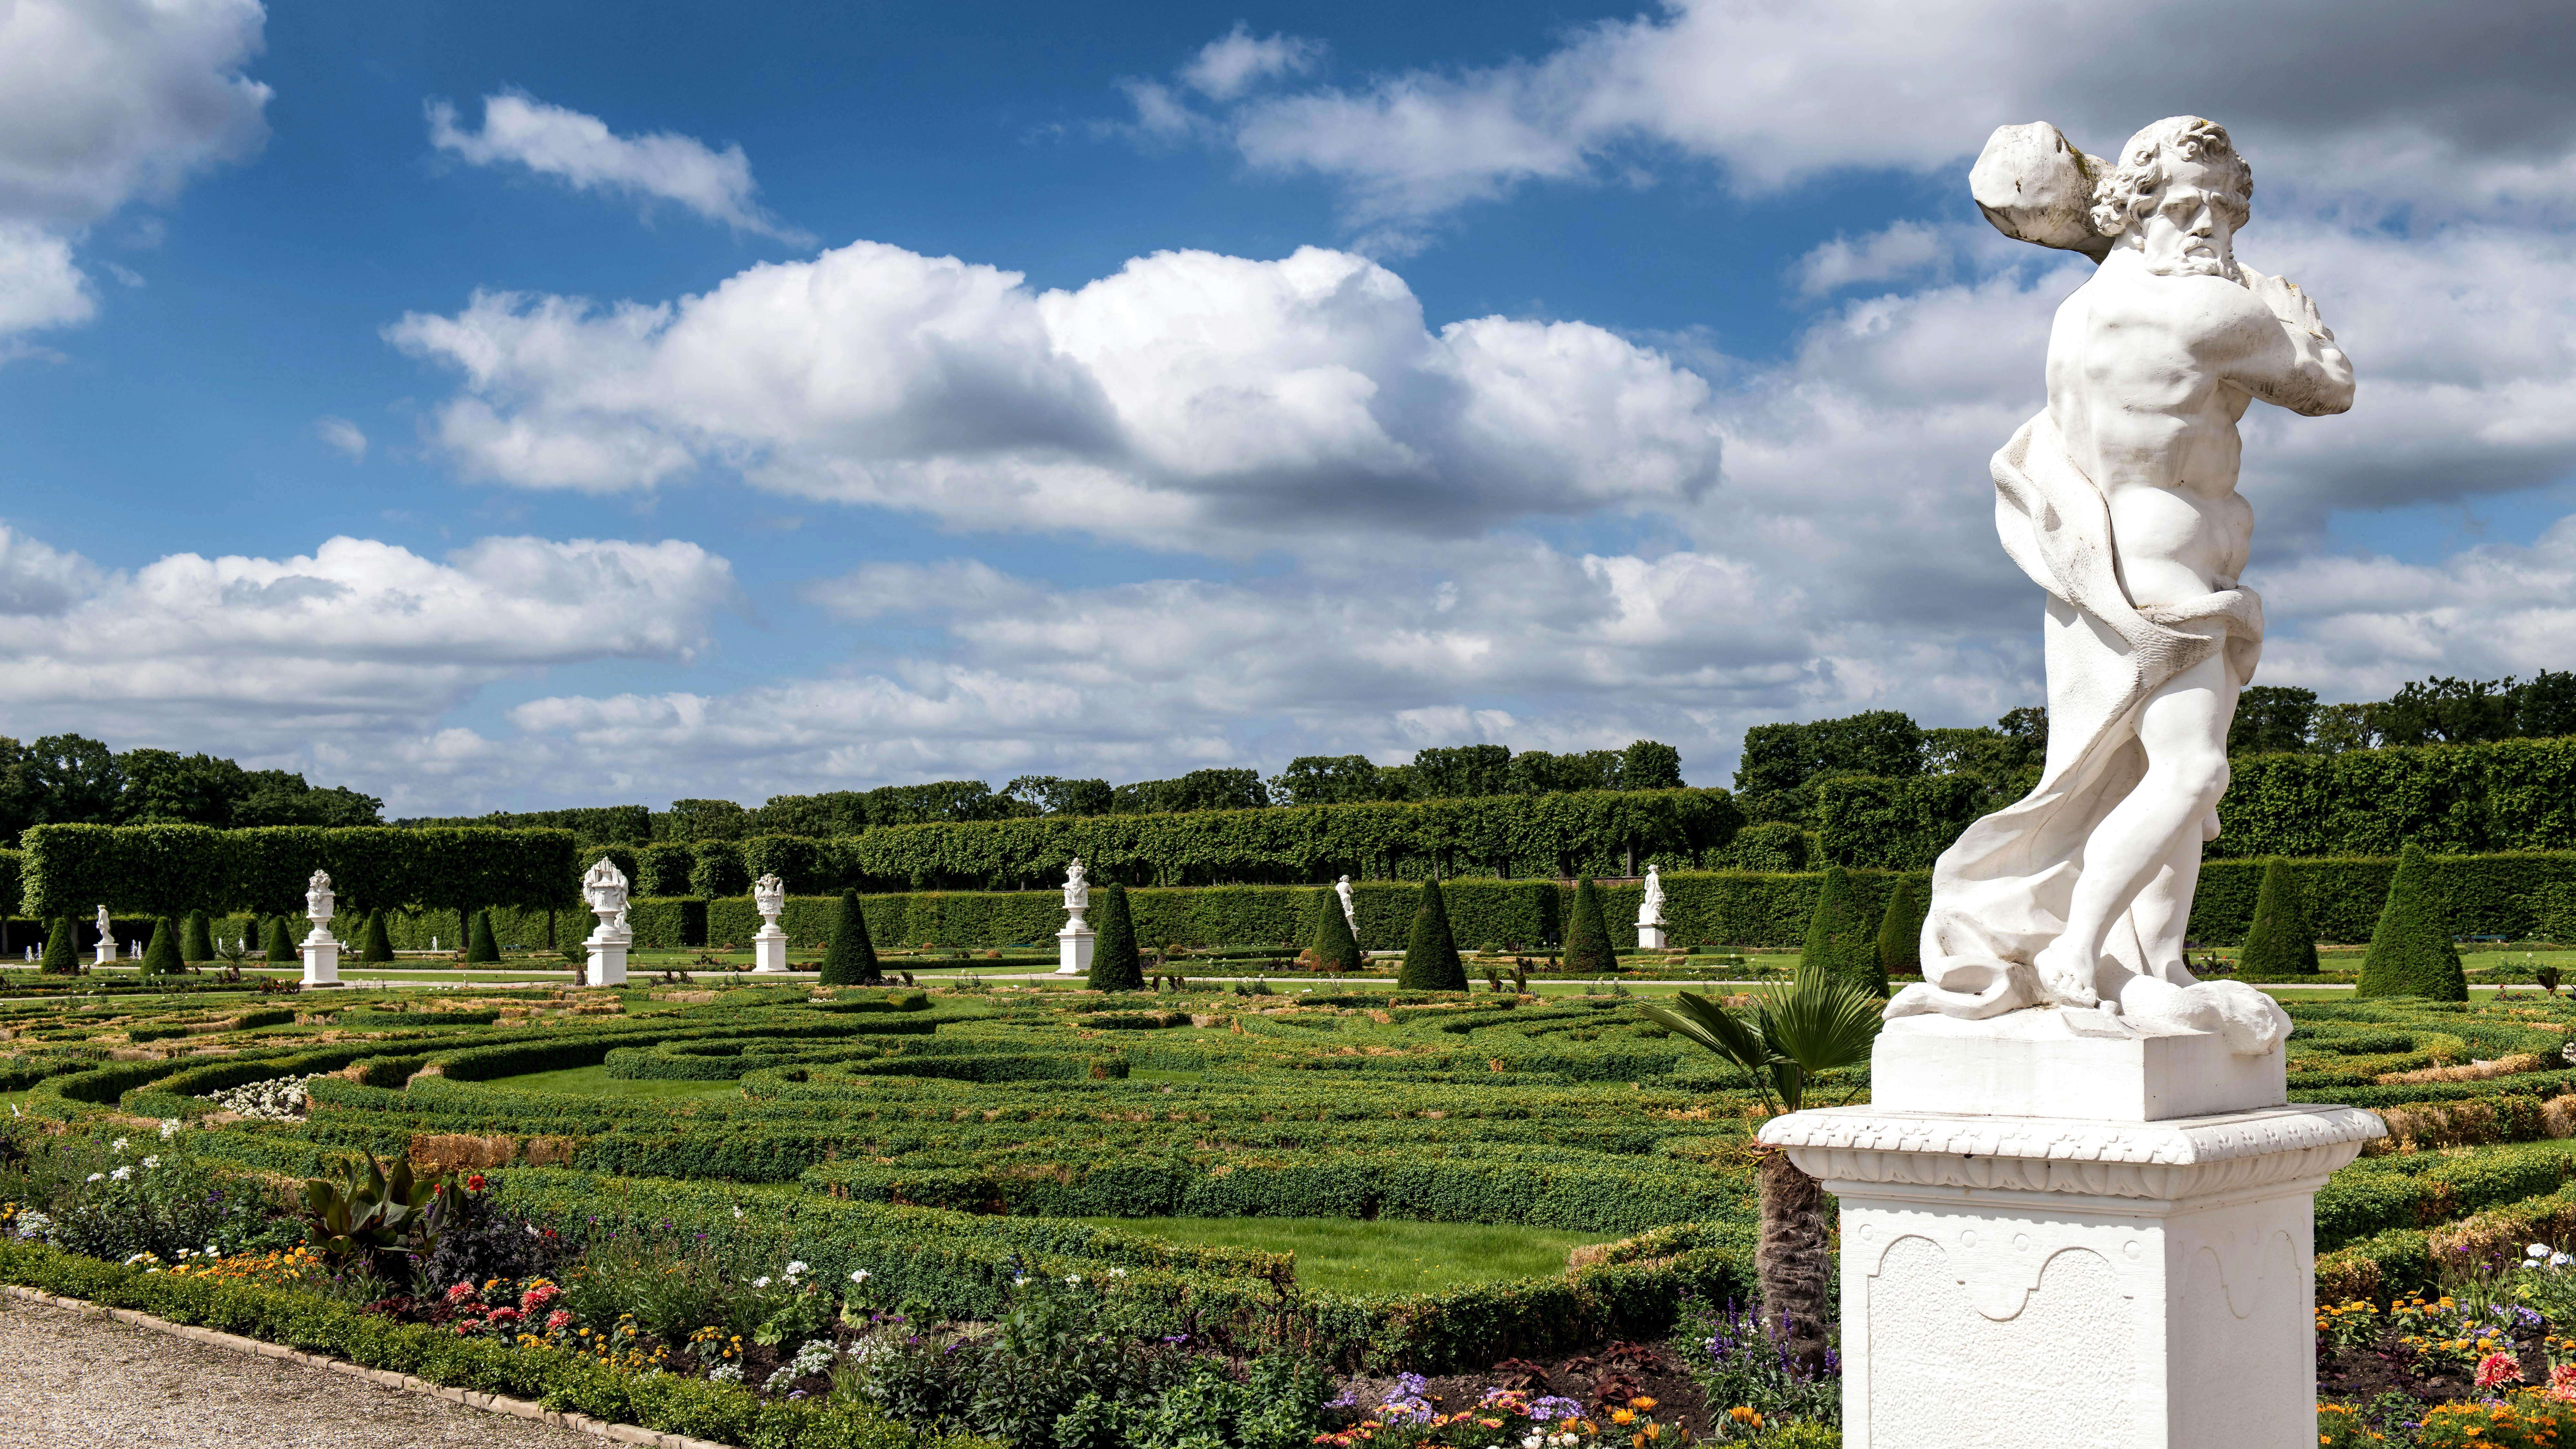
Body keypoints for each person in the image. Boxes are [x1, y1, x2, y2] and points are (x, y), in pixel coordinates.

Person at [1897, 117, 2351, 1042]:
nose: (2210, 228)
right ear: (2134, 209)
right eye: (2186, 208)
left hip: (2110, 565)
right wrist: (2294, 309)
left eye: (2226, 211)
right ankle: (2077, 950)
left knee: (2154, 779)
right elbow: (2329, 387)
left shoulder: (2084, 308)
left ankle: (2155, 965)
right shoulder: (2215, 311)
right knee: (2192, 770)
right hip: (2166, 569)